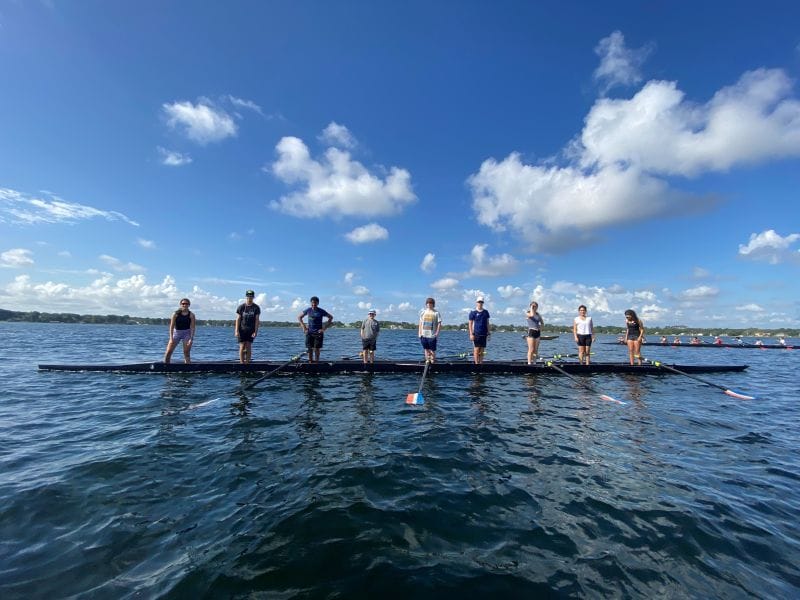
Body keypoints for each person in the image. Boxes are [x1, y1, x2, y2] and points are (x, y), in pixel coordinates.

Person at [298, 296, 333, 363]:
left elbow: (331, 317)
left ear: (318, 303)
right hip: (309, 332)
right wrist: (304, 327)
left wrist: (324, 328)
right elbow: (299, 317)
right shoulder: (308, 310)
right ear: (311, 303)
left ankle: (316, 362)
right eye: (312, 303)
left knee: (317, 349)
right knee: (309, 348)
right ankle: (310, 361)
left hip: (318, 333)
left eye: (315, 303)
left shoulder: (321, 311)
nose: (313, 304)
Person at [163, 298, 196, 364]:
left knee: (186, 352)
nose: (184, 305)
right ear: (180, 305)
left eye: (186, 304)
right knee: (168, 351)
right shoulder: (175, 314)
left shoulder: (191, 315)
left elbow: (192, 327)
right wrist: (171, 338)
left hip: (186, 333)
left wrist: (191, 339)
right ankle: (166, 366)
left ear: (189, 305)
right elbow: (171, 327)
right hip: (177, 333)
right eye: (183, 304)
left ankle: (187, 367)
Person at [235, 290, 260, 363]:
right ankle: (242, 363)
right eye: (248, 296)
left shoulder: (256, 308)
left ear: (253, 297)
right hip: (242, 330)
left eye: (251, 296)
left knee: (249, 346)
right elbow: (238, 319)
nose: (250, 298)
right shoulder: (241, 307)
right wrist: (236, 331)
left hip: (251, 330)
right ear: (246, 297)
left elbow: (257, 320)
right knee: (242, 346)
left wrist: (255, 332)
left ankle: (247, 363)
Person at [418, 297, 441, 363]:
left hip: (432, 335)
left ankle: (433, 361)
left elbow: (439, 323)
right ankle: (427, 360)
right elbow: (420, 323)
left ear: (433, 304)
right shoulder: (423, 312)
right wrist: (419, 333)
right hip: (423, 334)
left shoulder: (436, 313)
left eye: (430, 303)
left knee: (432, 350)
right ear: (426, 304)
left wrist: (437, 333)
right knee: (426, 349)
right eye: (428, 303)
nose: (429, 304)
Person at [468, 297, 490, 364]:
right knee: (476, 349)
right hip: (476, 333)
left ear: (483, 303)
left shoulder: (486, 312)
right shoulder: (473, 312)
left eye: (481, 302)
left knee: (482, 349)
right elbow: (470, 324)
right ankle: (476, 363)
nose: (480, 303)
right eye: (479, 302)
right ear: (476, 302)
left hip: (484, 333)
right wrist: (471, 334)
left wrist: (489, 332)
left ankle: (481, 362)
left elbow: (487, 323)